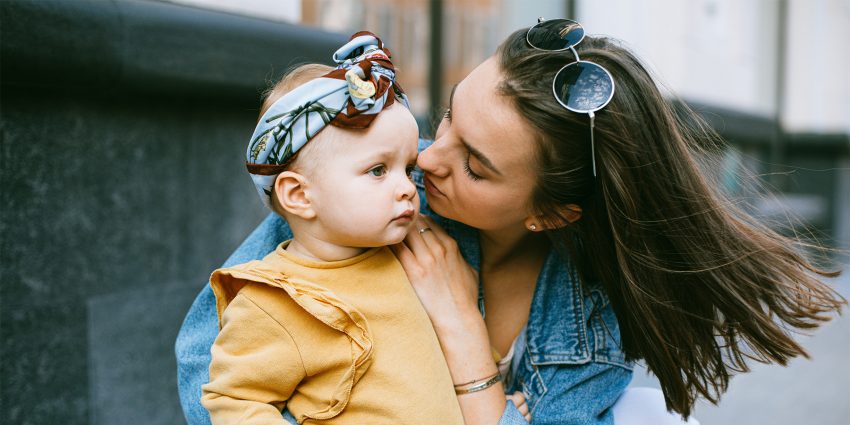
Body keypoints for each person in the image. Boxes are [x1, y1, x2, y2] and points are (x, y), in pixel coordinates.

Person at [177, 20, 845, 424]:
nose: (426, 162)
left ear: (550, 212)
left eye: (475, 165)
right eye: (446, 119)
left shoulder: (584, 314)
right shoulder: (372, 207)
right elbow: (210, 353)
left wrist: (462, 332)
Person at [199, 32, 479, 425]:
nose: (407, 187)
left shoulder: (409, 259)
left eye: (408, 167)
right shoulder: (276, 300)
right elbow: (233, 400)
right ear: (299, 195)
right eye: (378, 170)